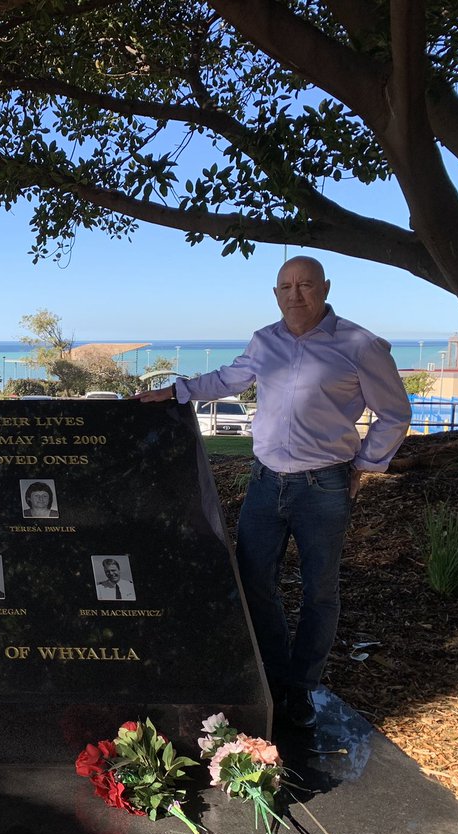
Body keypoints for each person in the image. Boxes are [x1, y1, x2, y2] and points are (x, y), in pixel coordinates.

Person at [137, 255, 411, 728]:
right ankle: (274, 676)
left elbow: (395, 413)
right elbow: (228, 378)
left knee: (319, 590)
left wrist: (365, 464)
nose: (295, 294)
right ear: (275, 294)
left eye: (305, 285)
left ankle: (301, 687)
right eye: (286, 286)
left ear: (325, 288)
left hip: (323, 485)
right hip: (265, 483)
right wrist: (176, 391)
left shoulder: (361, 345)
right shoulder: (265, 341)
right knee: (254, 583)